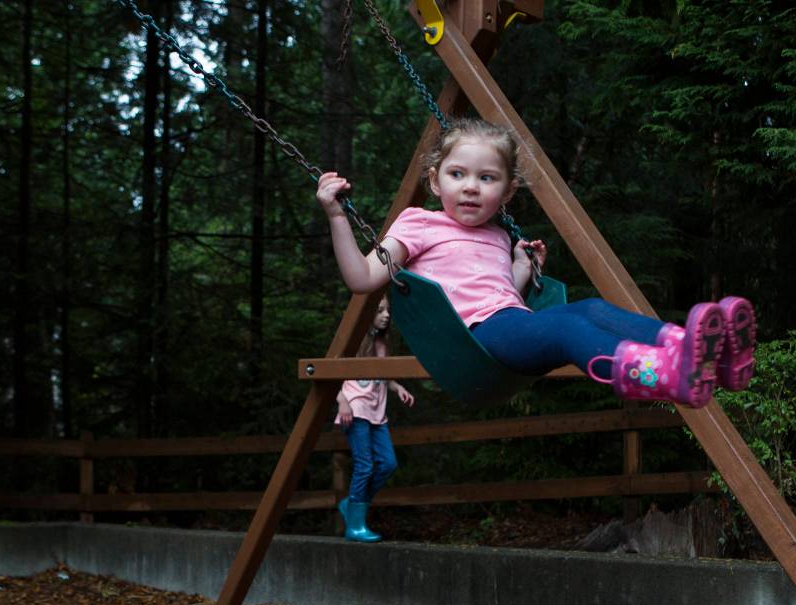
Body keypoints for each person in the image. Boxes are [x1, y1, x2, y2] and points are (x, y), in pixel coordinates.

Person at [316, 117, 756, 407]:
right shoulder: (417, 224)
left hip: (510, 324)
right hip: (475, 340)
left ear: (507, 192)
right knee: (567, 328)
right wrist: (337, 216)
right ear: (435, 180)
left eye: (486, 178)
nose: (471, 187)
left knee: (590, 309)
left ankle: (704, 356)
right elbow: (362, 278)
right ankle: (660, 374)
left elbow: (501, 291)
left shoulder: (497, 233)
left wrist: (523, 269)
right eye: (458, 174)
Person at [335, 295, 415, 542]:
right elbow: (331, 371)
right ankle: (355, 526)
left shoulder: (383, 343)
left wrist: (396, 386)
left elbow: (381, 376)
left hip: (377, 413)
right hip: (355, 408)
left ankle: (351, 504)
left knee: (388, 463)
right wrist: (342, 400)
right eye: (380, 310)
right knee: (365, 465)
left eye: (387, 310)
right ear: (367, 314)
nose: (386, 315)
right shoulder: (353, 341)